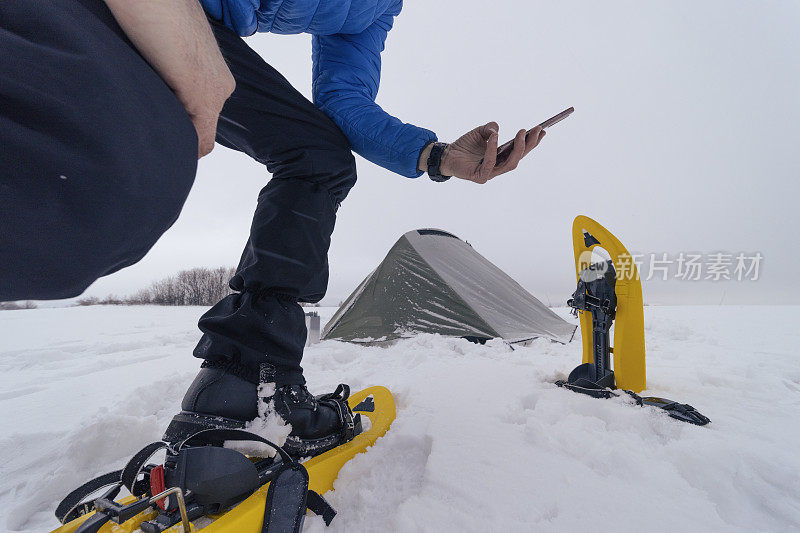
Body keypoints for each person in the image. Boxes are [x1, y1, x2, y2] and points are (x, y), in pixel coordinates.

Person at [0, 0, 546, 454]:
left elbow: (343, 100)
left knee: (317, 155)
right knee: (74, 178)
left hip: (202, 30)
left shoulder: (373, 12)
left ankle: (249, 378)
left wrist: (437, 156)